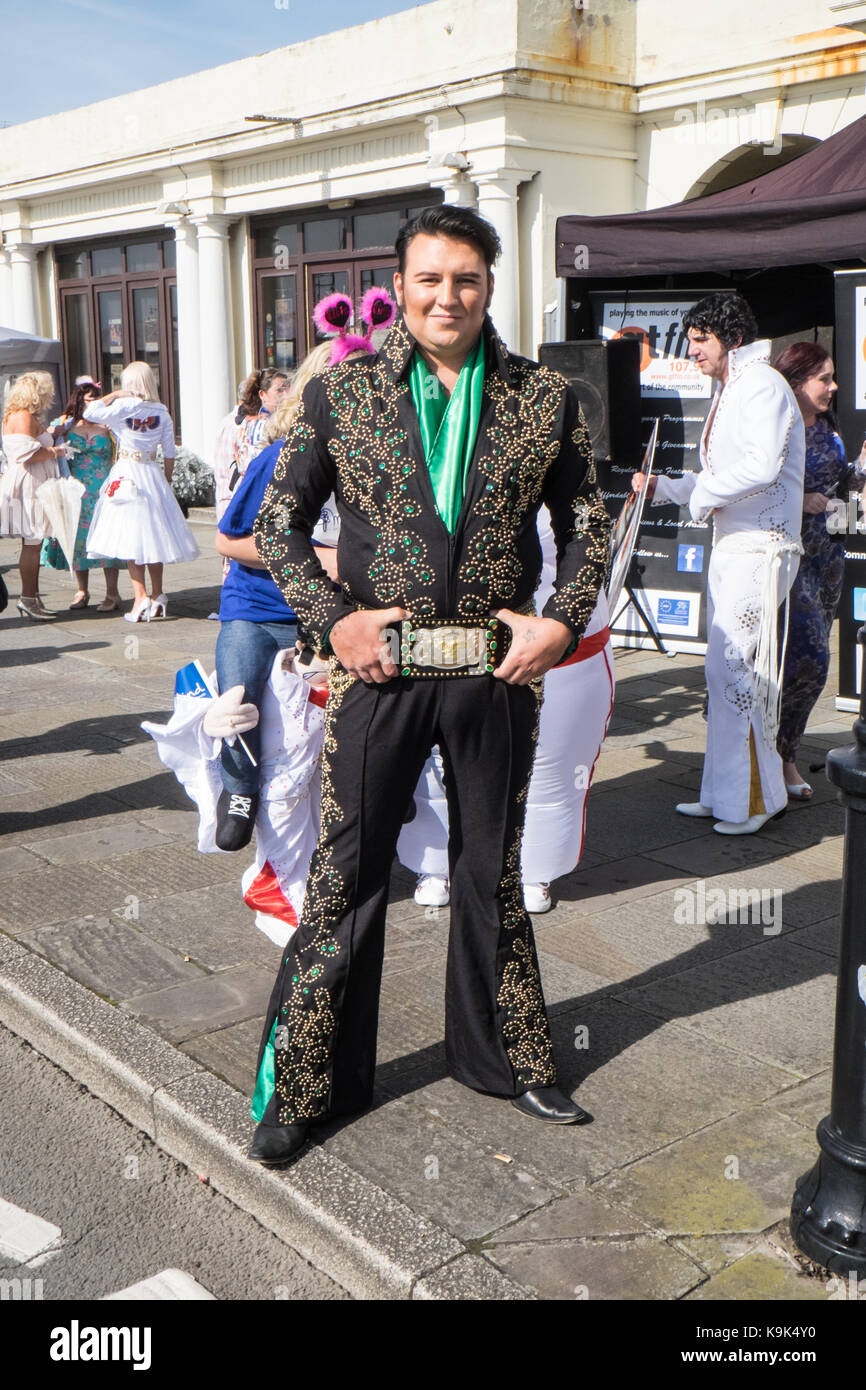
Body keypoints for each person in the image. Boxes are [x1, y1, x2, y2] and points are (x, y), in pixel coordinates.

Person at [247, 204, 611, 1166]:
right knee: (347, 877)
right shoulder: (344, 395)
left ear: (489, 285)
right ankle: (305, 1087)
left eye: (466, 279)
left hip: (498, 671)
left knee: (491, 871)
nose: (446, 296)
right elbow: (279, 525)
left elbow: (588, 523)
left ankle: (512, 1060)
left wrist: (562, 622)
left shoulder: (547, 398)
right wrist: (334, 620)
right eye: (428, 278)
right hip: (380, 671)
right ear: (398, 287)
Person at [634, 292, 805, 835]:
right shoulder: (738, 385)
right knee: (727, 671)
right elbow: (723, 475)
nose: (692, 350)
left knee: (735, 671)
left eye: (700, 339)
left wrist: (699, 493)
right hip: (738, 547)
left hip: (763, 548)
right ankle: (726, 793)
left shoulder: (761, 384)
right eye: (690, 339)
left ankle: (753, 801)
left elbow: (759, 467)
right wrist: (663, 486)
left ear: (731, 338)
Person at [400, 508, 614, 912]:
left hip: (553, 633)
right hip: (443, 632)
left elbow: (585, 538)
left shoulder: (558, 457)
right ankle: (434, 865)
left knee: (550, 759)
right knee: (434, 760)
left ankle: (535, 870)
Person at [211, 343, 338, 851]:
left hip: (333, 612)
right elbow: (227, 540)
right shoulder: (276, 461)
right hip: (260, 610)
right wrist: (319, 559)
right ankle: (239, 790)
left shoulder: (386, 468)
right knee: (237, 695)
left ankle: (381, 782)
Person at [774, 343, 866, 798]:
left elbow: (844, 485)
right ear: (795, 382)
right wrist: (799, 499)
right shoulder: (777, 428)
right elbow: (752, 490)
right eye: (823, 379)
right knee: (811, 660)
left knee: (805, 663)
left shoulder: (828, 426)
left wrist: (862, 468)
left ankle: (783, 753)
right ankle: (772, 752)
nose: (832, 387)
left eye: (833, 378)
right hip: (787, 559)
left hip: (828, 557)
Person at [84, 361, 199, 621]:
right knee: (153, 537)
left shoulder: (123, 407)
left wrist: (113, 395)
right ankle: (158, 595)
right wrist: (165, 482)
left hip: (127, 473)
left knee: (131, 538)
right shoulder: (163, 412)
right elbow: (169, 453)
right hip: (151, 473)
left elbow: (91, 412)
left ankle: (140, 597)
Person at [40, 379, 123, 610]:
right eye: (89, 399)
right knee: (79, 539)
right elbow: (46, 438)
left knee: (106, 537)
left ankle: (112, 593)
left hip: (105, 488)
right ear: (79, 400)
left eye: (97, 398)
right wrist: (54, 433)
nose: (94, 402)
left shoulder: (110, 424)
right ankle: (82, 591)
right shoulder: (66, 424)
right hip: (77, 489)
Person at [0, 371, 67, 620]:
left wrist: (49, 433)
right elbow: (27, 454)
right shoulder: (23, 417)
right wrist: (56, 451)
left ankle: (33, 598)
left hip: (30, 481)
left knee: (33, 542)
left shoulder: (17, 416)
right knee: (32, 542)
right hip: (29, 484)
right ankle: (28, 598)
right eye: (46, 393)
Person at [230, 368, 290, 493]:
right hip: (258, 490)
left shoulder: (270, 421)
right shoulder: (259, 425)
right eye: (279, 390)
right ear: (262, 394)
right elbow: (261, 465)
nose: (286, 394)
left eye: (287, 389)